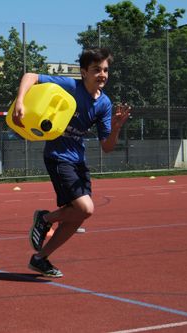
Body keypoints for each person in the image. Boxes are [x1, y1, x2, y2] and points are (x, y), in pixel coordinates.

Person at [12, 48, 131, 278]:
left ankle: (40, 258)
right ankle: (45, 219)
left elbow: (107, 147)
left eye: (106, 70)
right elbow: (31, 76)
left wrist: (116, 128)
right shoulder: (69, 86)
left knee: (78, 215)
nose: (103, 74)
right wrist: (20, 102)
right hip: (58, 157)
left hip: (78, 160)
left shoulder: (104, 104)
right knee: (86, 208)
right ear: (84, 72)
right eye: (97, 70)